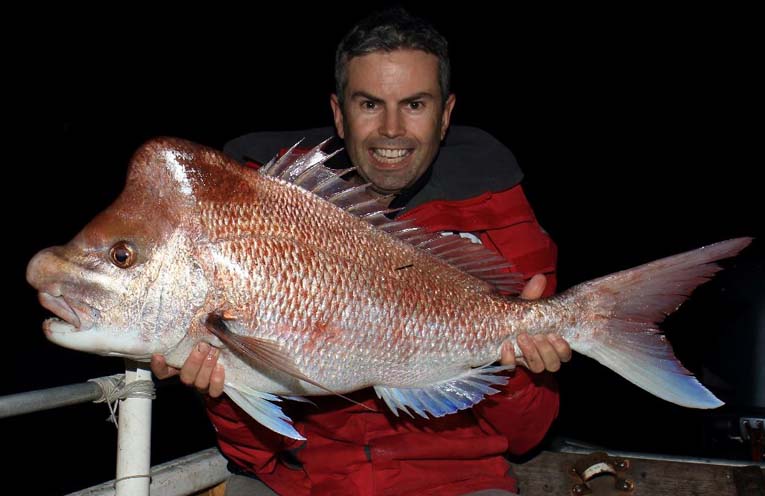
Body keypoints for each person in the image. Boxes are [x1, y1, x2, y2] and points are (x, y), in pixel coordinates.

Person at [152, 8, 571, 495]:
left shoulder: (498, 220)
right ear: (339, 113)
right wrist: (222, 388)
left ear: (445, 115)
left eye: (414, 104)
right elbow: (256, 456)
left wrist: (514, 366)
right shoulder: (269, 213)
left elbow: (527, 436)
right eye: (370, 104)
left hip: (458, 481)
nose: (392, 128)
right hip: (309, 483)